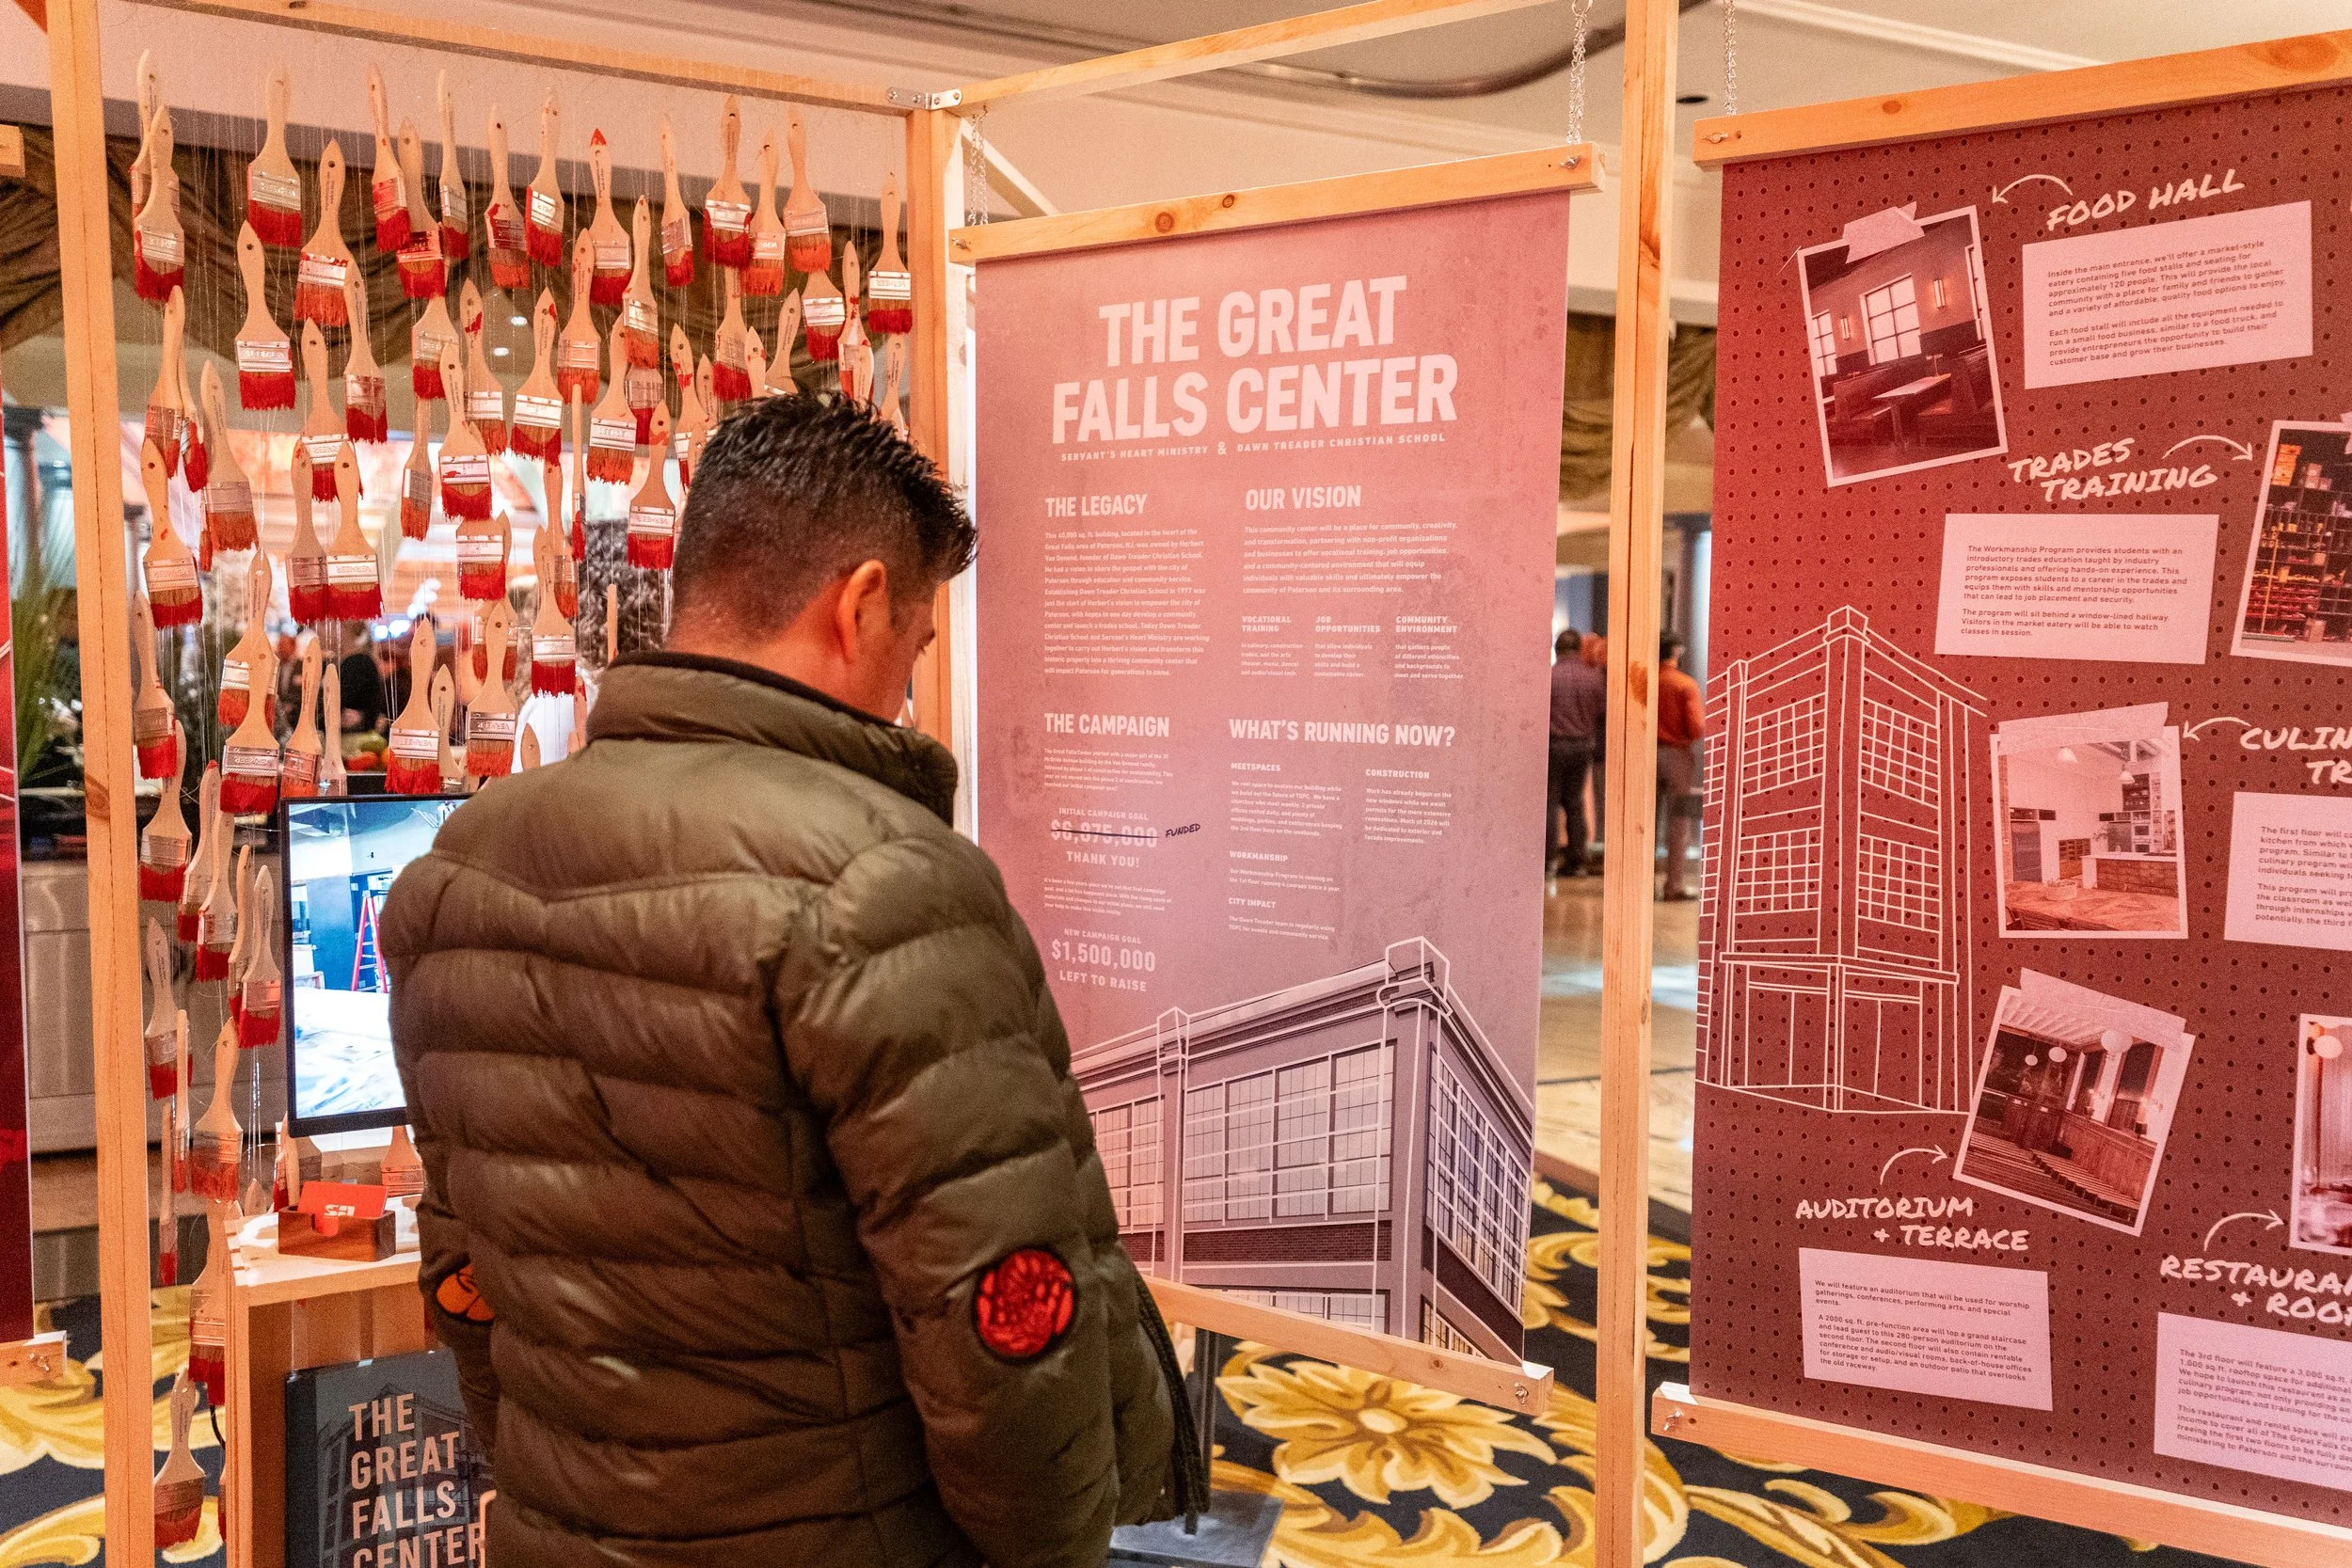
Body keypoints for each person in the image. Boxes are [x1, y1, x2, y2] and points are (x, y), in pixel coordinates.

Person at [383, 396, 1199, 1568]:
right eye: (915, 650)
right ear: (860, 602)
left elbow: (464, 1269)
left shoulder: (458, 868)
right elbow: (1001, 1319)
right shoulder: (887, 883)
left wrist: (561, 1492)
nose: (907, 691)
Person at [1548, 626, 1604, 878]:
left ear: (1556, 649)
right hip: (1583, 747)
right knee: (1575, 803)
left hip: (1553, 745)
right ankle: (1576, 862)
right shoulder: (1594, 678)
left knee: (1548, 803)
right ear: (1579, 650)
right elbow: (1603, 712)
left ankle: (1547, 861)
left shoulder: (1548, 676)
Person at [1657, 634, 1707, 900]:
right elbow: (1696, 727)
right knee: (1678, 822)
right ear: (1676, 651)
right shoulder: (1685, 685)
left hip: (1644, 755)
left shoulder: (1643, 682)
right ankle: (1673, 885)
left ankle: (1636, 886)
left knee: (1644, 823)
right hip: (1677, 756)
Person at [337, 623, 388, 734]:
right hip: (367, 728)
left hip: (348, 728)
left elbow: (343, 694)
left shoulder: (350, 662)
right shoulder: (368, 662)